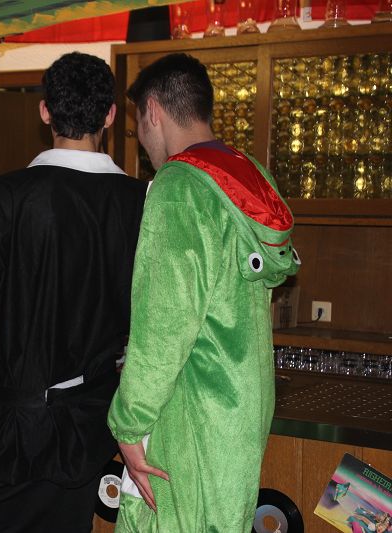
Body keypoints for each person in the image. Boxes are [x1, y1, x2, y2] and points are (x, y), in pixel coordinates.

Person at [0, 52, 147, 533]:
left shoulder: (6, 195)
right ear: (110, 116)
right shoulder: (142, 202)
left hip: (15, 428)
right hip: (91, 429)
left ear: (45, 112)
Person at [107, 53, 301, 532]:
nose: (142, 140)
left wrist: (128, 423)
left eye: (138, 124)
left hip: (189, 411)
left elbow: (164, 326)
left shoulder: (179, 186)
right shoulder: (247, 174)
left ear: (153, 111)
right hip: (238, 411)